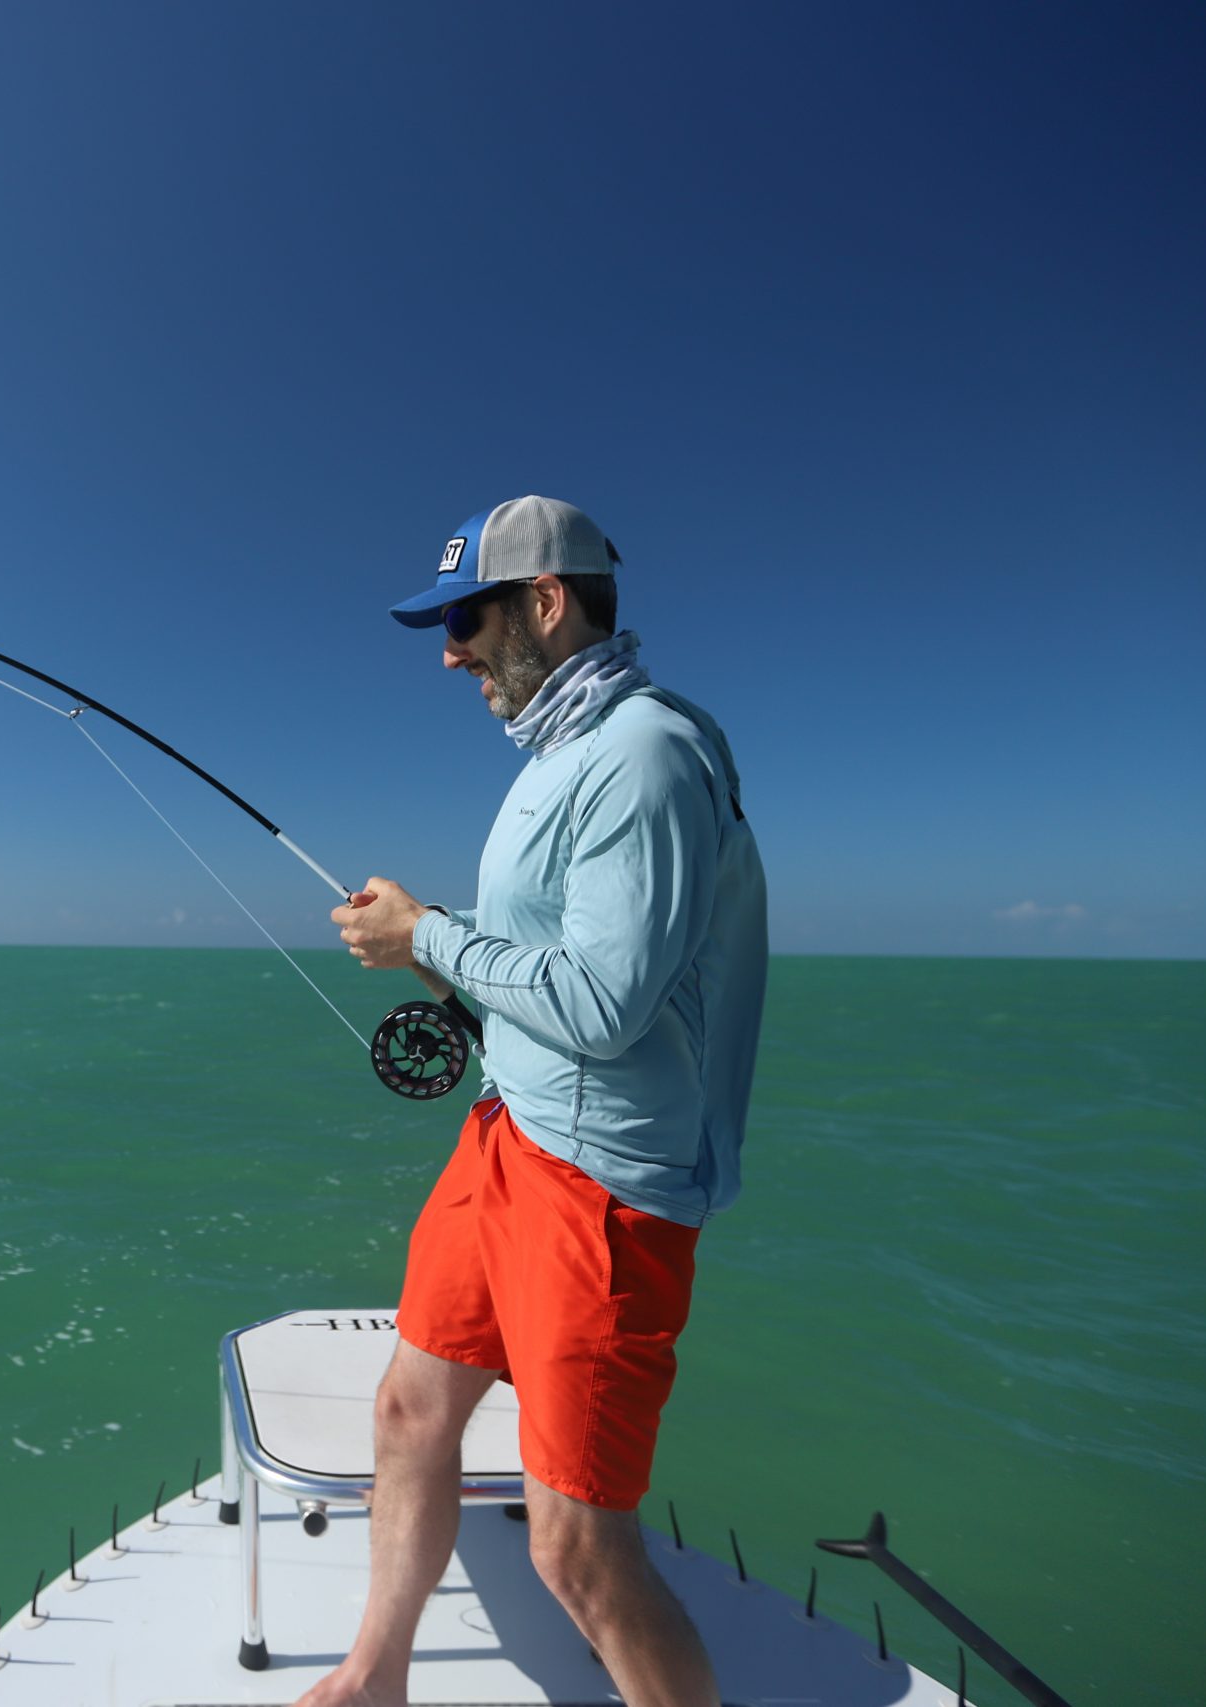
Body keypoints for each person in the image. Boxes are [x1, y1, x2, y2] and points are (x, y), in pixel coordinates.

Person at [307, 495, 767, 1707]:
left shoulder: (645, 756)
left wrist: (431, 936)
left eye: (466, 618)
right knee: (412, 1409)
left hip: (601, 1190)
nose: (451, 651)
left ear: (545, 604)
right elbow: (550, 967)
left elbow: (607, 1006)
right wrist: (440, 960)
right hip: (504, 1139)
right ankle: (374, 1678)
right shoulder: (563, 759)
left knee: (574, 1549)